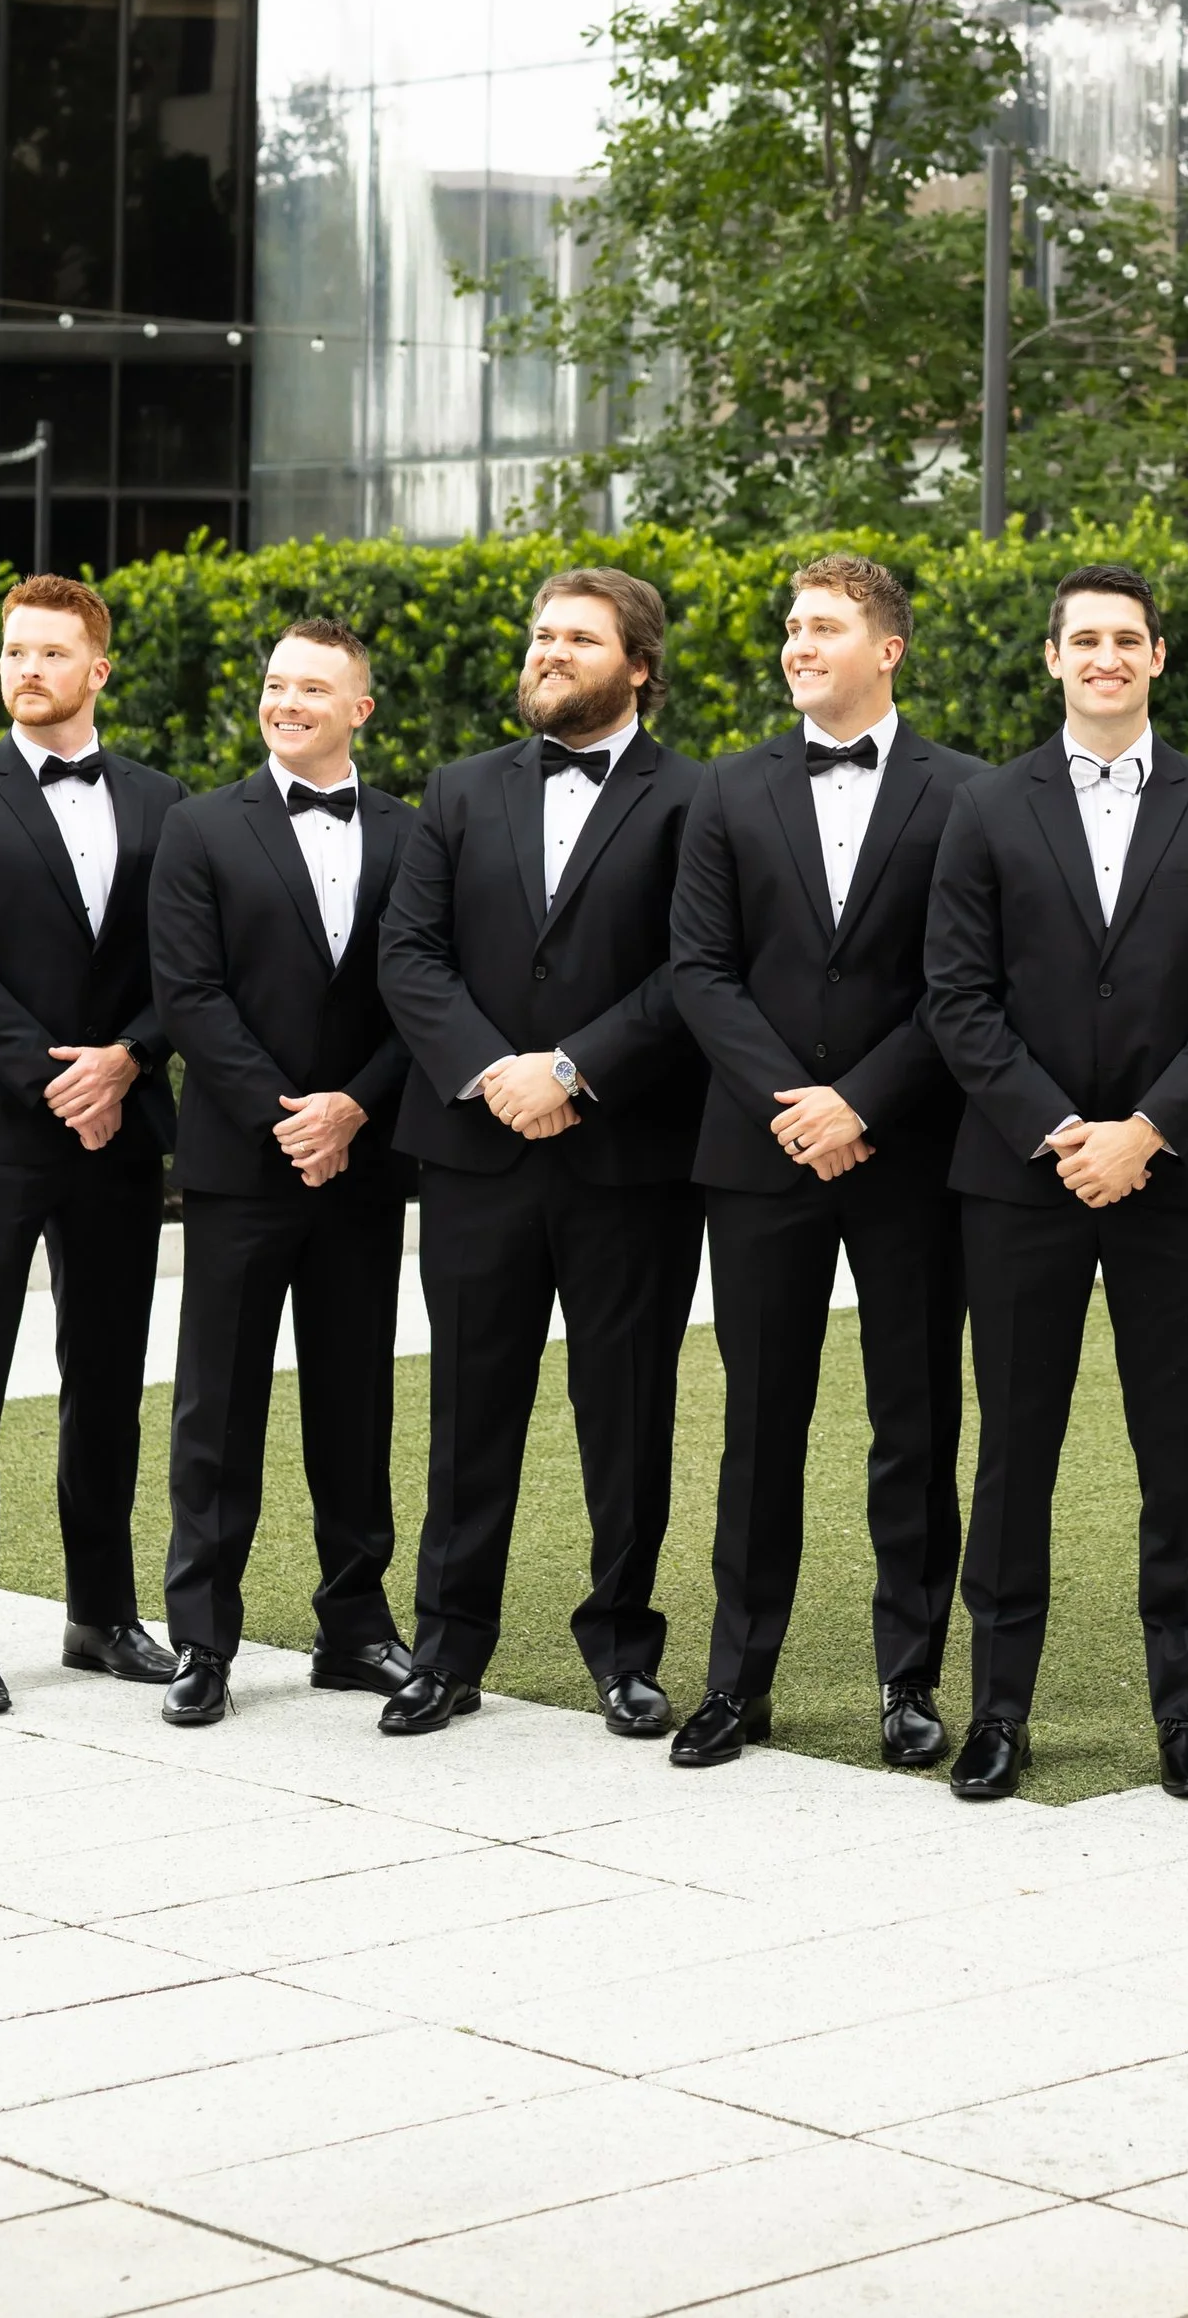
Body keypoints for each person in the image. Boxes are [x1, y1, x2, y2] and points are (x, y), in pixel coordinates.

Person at [923, 563, 1188, 1801]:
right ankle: (998, 1713)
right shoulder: (984, 806)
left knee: (1175, 1448)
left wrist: (1148, 1131)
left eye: (1127, 640)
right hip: (1021, 1183)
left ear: (1158, 659)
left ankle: (1186, 1712)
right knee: (1014, 1449)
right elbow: (955, 998)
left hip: (1172, 1184)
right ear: (1053, 659)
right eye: (1085, 640)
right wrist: (1063, 1131)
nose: (1106, 658)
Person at [377, 568, 707, 1737]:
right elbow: (409, 954)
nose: (549, 651)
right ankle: (447, 1650)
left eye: (577, 637)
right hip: (476, 1152)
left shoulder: (697, 802)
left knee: (626, 1413)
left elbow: (695, 972)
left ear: (639, 667)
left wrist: (570, 1070)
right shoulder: (461, 792)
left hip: (631, 1159)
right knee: (469, 1410)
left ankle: (623, 1651)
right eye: (541, 635)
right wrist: (498, 1075)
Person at [669, 552, 981, 1772]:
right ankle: (734, 1683)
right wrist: (792, 1105)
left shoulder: (965, 794)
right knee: (761, 1423)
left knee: (913, 1422)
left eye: (824, 627)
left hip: (908, 1153)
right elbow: (700, 968)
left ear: (887, 648)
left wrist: (861, 1103)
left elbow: (961, 983)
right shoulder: (726, 792)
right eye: (792, 627)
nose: (799, 645)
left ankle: (909, 1682)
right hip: (757, 1154)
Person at [0, 576, 184, 1715]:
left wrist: (127, 1059)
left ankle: (102, 1615)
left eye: (51, 653)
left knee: (107, 1383)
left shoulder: (168, 805)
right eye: (16, 651)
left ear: (97, 670)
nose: (27, 669)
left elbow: (190, 971)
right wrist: (58, 1079)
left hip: (120, 1134)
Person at [147, 619, 418, 1727]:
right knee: (219, 1406)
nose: (286, 701)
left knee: (356, 1401)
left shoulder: (415, 832)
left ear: (361, 707)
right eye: (274, 684)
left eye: (313, 686)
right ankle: (202, 1641)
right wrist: (288, 1118)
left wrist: (357, 1105)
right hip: (240, 1165)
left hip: (364, 1160)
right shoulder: (199, 827)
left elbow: (425, 986)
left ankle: (355, 1629)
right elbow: (188, 993)